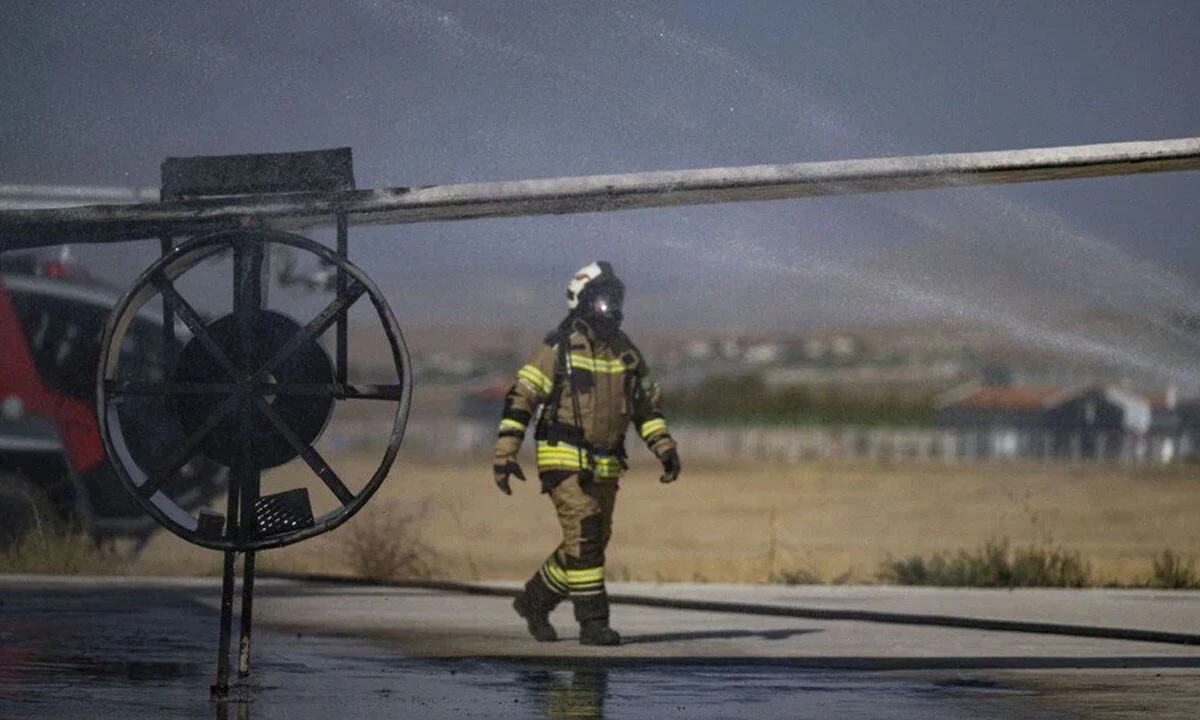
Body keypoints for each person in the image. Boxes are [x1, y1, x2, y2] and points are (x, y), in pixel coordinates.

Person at [493, 261, 681, 646]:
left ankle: (534, 601)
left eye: (615, 301)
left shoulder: (626, 352)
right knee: (587, 532)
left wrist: (664, 447)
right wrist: (505, 452)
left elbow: (646, 406)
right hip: (561, 456)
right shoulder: (557, 347)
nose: (611, 309)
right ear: (582, 301)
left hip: (607, 462)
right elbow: (521, 397)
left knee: (587, 543)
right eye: (603, 301)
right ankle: (593, 624)